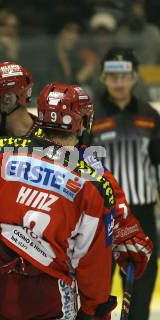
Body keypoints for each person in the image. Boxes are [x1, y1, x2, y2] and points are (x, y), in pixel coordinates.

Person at [0, 83, 118, 319]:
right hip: (46, 297)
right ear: (83, 122)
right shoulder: (93, 184)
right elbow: (92, 259)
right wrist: (94, 309)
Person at [91, 47, 160, 320]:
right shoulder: (91, 117)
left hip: (142, 218)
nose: (118, 83)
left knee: (140, 300)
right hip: (101, 220)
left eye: (125, 76)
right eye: (112, 76)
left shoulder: (151, 116)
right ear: (103, 77)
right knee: (95, 298)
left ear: (134, 77)